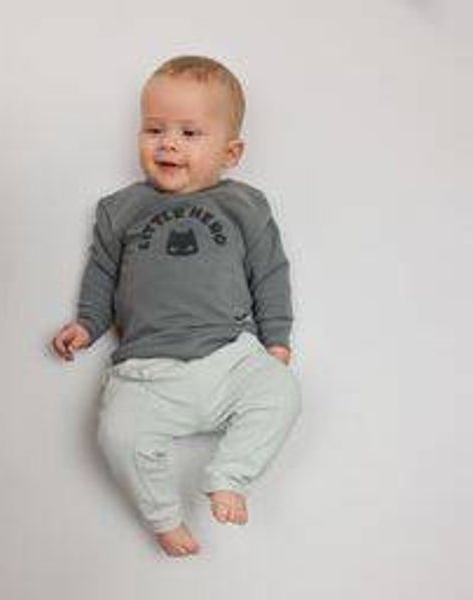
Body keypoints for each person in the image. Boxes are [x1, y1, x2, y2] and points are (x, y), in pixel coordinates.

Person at [52, 55, 301, 557]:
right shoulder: (121, 209)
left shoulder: (244, 205)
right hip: (148, 370)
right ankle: (163, 517)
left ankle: (230, 475)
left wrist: (276, 340)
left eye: (189, 133)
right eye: (154, 129)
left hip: (228, 355)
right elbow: (102, 272)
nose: (168, 143)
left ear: (230, 152)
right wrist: (87, 324)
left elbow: (270, 271)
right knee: (117, 435)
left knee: (283, 394)